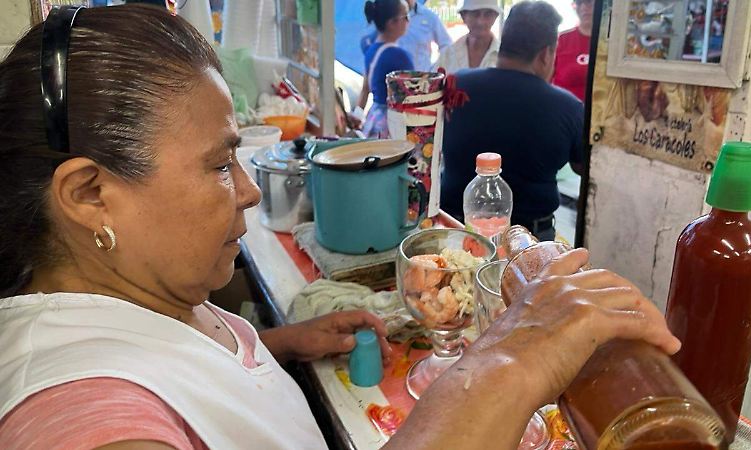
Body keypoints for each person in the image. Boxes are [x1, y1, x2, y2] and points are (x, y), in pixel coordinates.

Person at [0, 5, 680, 449]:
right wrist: (515, 354)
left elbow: (183, 374)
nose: (243, 192)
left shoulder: (139, 298)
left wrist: (276, 345)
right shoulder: (81, 416)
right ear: (90, 194)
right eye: (216, 166)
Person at [440, 1, 585, 242]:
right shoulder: (566, 107)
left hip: (452, 234)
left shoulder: (457, 85)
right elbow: (584, 166)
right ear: (545, 54)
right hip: (530, 244)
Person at [359, 0, 414, 138]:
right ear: (392, 23)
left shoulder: (371, 49)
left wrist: (357, 113)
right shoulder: (399, 56)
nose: (409, 20)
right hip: (393, 121)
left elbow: (366, 87)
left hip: (375, 117)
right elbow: (413, 95)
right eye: (405, 16)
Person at [360, 0, 452, 72]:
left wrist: (434, 71)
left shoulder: (430, 17)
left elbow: (447, 46)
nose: (408, 22)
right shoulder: (383, 14)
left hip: (420, 82)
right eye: (405, 17)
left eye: (407, 17)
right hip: (395, 85)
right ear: (391, 23)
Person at [432, 0, 501, 74]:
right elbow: (433, 83)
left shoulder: (505, 56)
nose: (481, 22)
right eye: (475, 14)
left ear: (495, 17)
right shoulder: (448, 55)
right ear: (463, 16)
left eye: (488, 14)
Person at [552, 0, 594, 101]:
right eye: (579, 3)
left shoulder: (613, 43)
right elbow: (545, 82)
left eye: (589, 2)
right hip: (564, 111)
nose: (584, 7)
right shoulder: (561, 40)